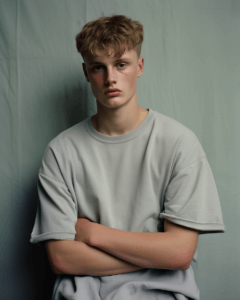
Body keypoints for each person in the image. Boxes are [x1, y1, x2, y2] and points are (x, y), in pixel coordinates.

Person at [30, 14, 225, 300]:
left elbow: (180, 254)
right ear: (86, 73)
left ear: (139, 66)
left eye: (121, 64)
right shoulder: (60, 152)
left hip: (162, 294)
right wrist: (158, 255)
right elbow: (62, 259)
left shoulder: (179, 143)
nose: (111, 78)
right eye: (99, 67)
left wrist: (94, 234)